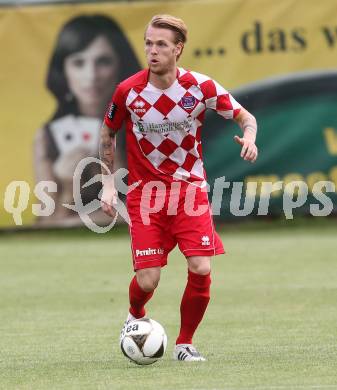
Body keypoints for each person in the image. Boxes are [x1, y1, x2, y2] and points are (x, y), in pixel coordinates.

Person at [100, 15, 258, 361]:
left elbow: (247, 117)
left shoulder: (200, 87)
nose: (151, 51)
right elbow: (108, 131)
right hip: (146, 196)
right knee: (148, 280)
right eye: (148, 43)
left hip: (190, 192)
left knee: (201, 268)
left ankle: (185, 344)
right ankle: (135, 316)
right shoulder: (128, 91)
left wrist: (249, 137)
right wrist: (109, 184)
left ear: (178, 49)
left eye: (160, 44)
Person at [34, 14, 141, 225]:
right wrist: (67, 189)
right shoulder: (47, 138)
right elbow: (45, 224)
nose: (91, 76)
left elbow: (156, 213)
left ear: (121, 66)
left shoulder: (147, 126)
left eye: (103, 61)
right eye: (78, 62)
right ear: (63, 71)